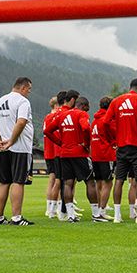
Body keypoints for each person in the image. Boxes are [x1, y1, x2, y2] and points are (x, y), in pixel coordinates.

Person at [104, 78, 137, 223]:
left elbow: (106, 122)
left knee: (119, 179)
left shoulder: (116, 101)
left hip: (121, 146)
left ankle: (117, 216)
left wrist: (113, 140)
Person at [45, 90, 99, 223]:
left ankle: (69, 215)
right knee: (90, 182)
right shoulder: (81, 114)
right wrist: (86, 144)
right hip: (79, 152)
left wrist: (60, 142)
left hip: (64, 153)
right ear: (75, 100)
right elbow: (86, 128)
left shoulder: (60, 115)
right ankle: (96, 215)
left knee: (67, 183)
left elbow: (47, 131)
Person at [0, 77, 34, 225]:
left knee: (3, 182)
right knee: (18, 181)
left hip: (3, 149)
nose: (29, 92)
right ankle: (16, 217)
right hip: (20, 147)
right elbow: (21, 121)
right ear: (22, 88)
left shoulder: (1, 100)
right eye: (29, 89)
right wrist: (11, 141)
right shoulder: (22, 101)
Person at [89, 96, 116, 221]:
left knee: (99, 183)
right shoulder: (107, 119)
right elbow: (114, 135)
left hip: (95, 155)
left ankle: (98, 211)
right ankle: (102, 211)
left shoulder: (94, 120)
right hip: (106, 154)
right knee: (108, 183)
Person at [43, 96, 61, 218]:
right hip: (55, 151)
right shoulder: (56, 117)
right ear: (56, 106)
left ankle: (49, 208)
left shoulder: (46, 118)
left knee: (51, 180)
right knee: (59, 180)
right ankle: (57, 208)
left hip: (47, 152)